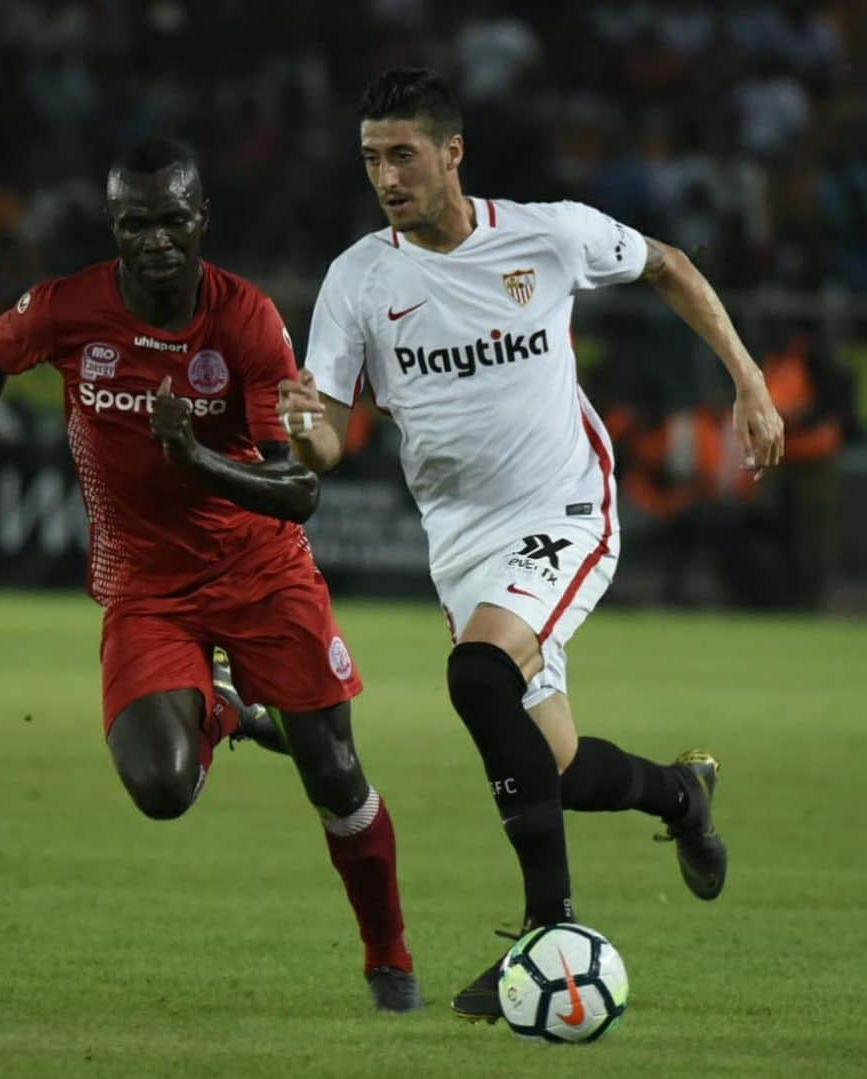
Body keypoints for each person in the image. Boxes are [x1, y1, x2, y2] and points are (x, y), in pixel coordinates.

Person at [277, 69, 784, 1022]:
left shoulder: (548, 235)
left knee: (478, 678)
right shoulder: (358, 279)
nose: (386, 176)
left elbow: (669, 262)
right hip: (461, 542)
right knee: (550, 764)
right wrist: (304, 426)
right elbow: (331, 440)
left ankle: (549, 930)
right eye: (371, 158)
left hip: (565, 508)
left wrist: (749, 380)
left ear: (451, 153)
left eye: (403, 155)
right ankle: (681, 795)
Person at [0, 136, 422, 1013]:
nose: (155, 239)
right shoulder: (70, 308)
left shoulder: (247, 319)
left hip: (260, 568)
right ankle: (225, 706)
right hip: (145, 584)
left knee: (335, 772)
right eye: (135, 223)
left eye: (172, 220)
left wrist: (192, 456)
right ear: (115, 226)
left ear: (201, 222)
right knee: (159, 789)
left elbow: (296, 489)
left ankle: (390, 960)